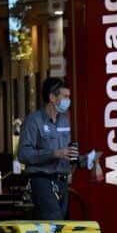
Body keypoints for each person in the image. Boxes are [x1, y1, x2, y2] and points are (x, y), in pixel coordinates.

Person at [17, 77, 77, 220]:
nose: (68, 100)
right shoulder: (33, 121)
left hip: (62, 182)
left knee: (58, 228)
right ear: (52, 97)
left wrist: (80, 158)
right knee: (54, 224)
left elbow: (66, 152)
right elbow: (23, 154)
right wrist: (53, 153)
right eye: (65, 97)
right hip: (42, 181)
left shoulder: (64, 120)